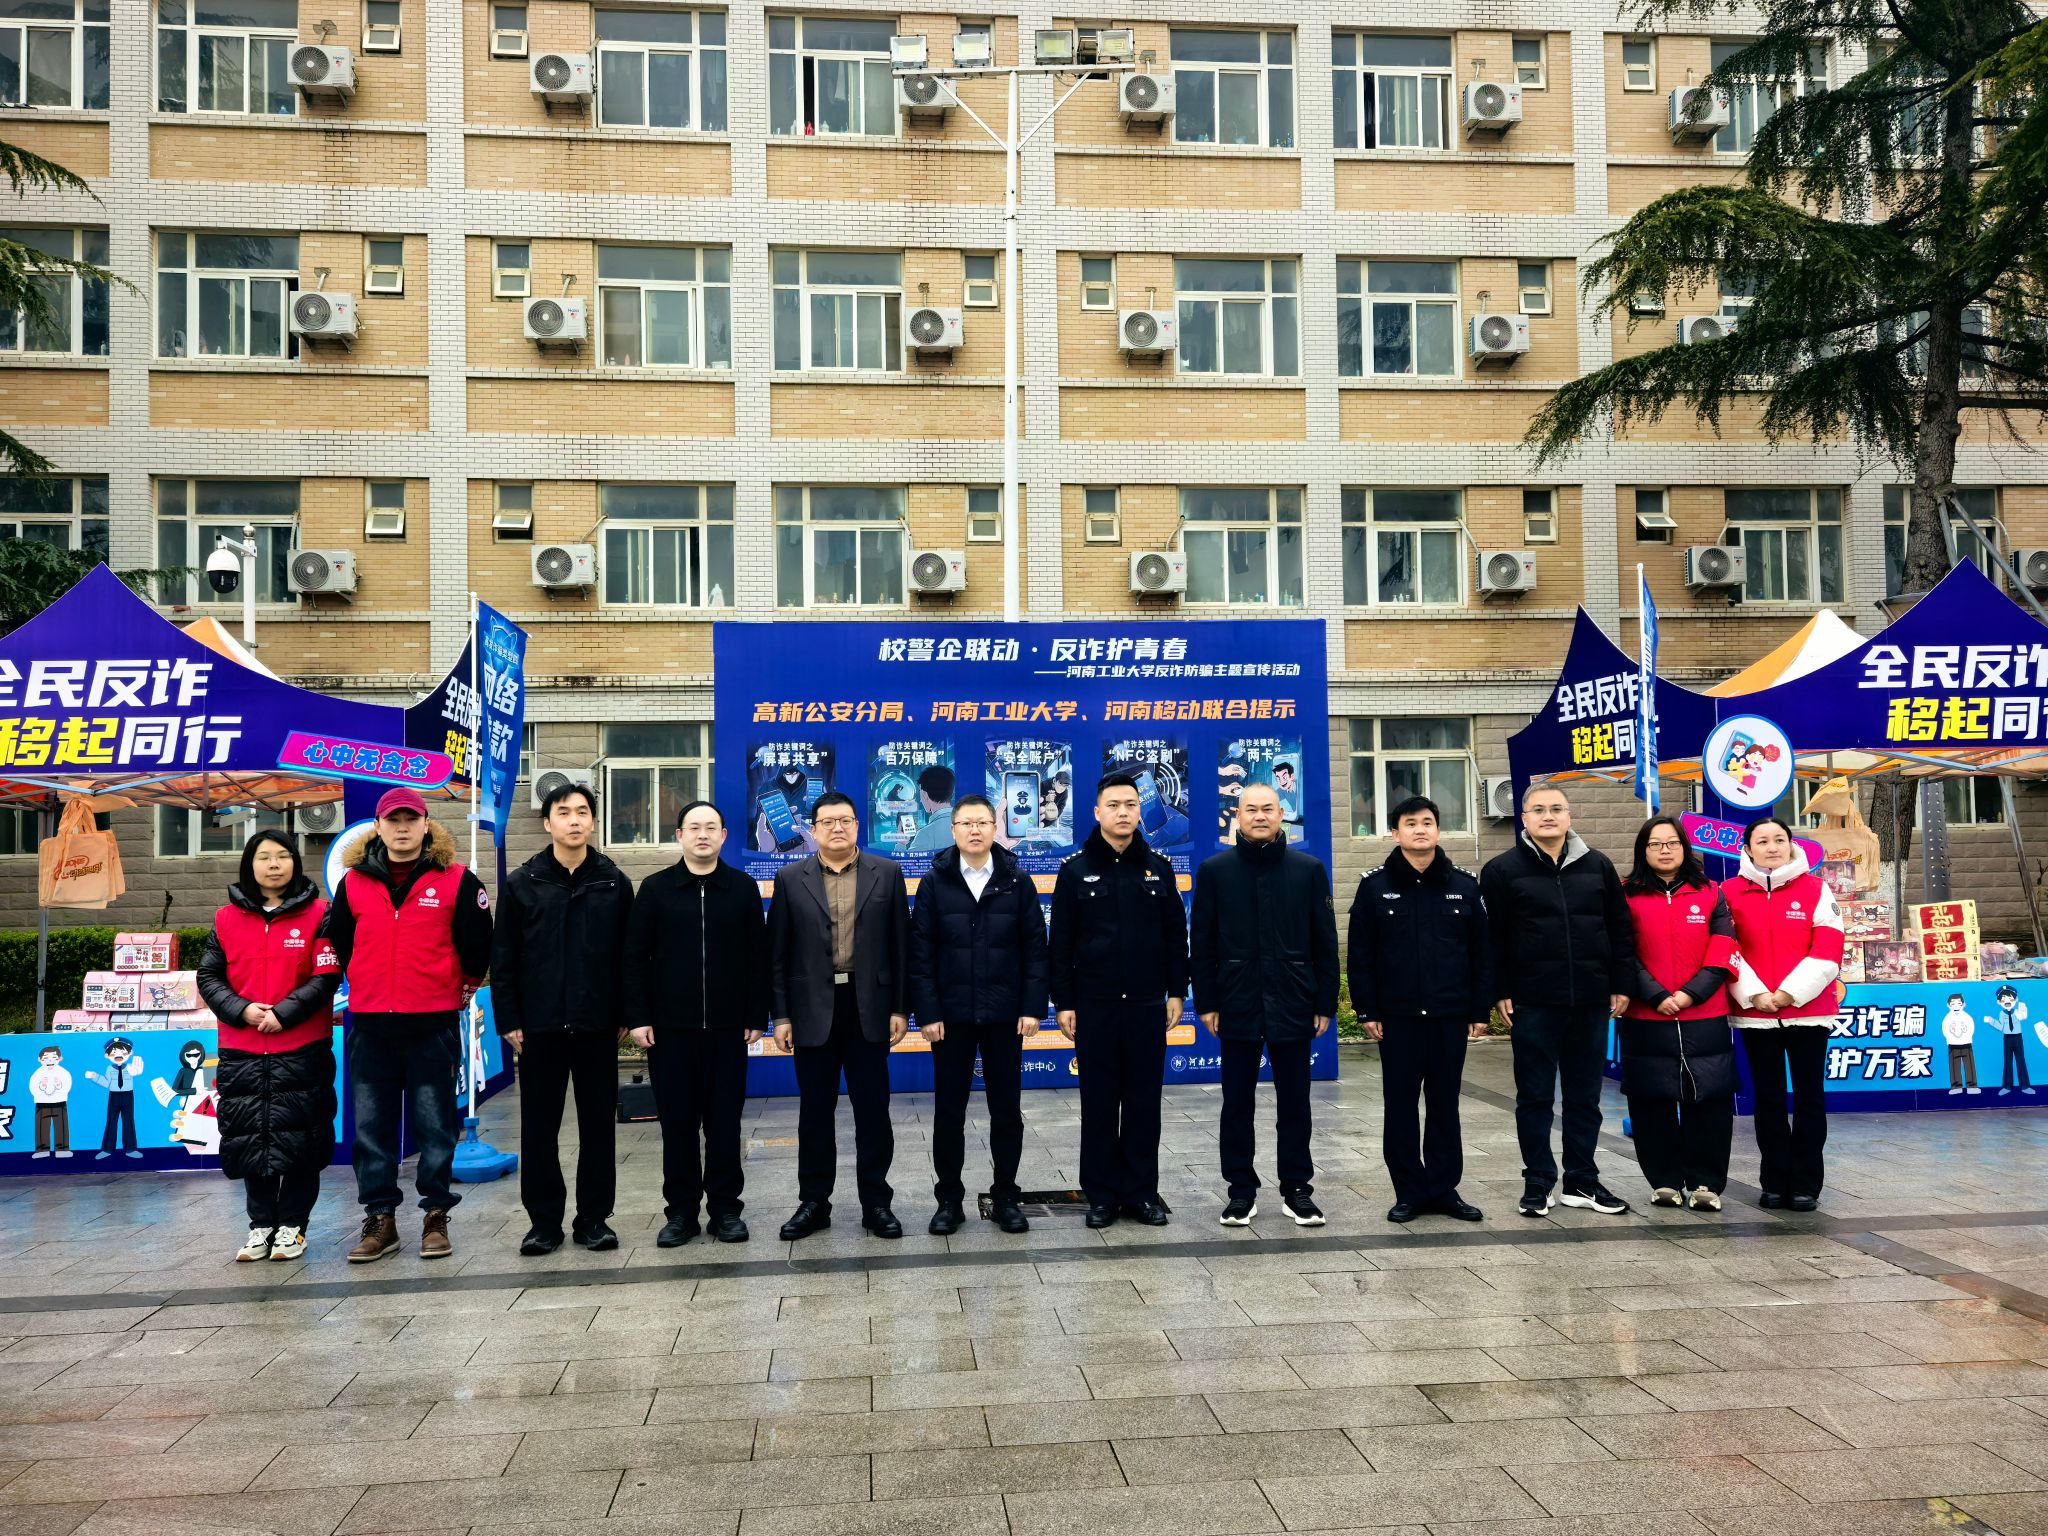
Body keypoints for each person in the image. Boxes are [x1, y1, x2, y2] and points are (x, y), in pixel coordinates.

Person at [321, 787, 492, 1262]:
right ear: (377, 826)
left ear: (425, 824)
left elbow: (478, 943)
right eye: (392, 820)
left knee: (435, 1126)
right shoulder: (353, 883)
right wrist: (360, 984)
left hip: (431, 1024)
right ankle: (381, 1220)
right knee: (371, 1129)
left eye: (410, 819)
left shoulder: (457, 880)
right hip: (371, 1025)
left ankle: (436, 1215)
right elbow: (338, 942)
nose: (402, 828)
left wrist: (461, 987)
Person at [1480, 783, 1637, 1218]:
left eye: (1556, 809)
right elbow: (1491, 940)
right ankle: (1538, 1181)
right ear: (1524, 819)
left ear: (1569, 816)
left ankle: (1582, 1181)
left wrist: (1621, 983)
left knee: (1585, 1097)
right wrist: (1500, 990)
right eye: (1538, 810)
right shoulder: (1502, 870)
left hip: (1590, 999)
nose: (1548, 816)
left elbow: (1620, 929)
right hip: (1532, 1001)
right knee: (1534, 1096)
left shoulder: (1598, 865)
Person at [493, 780, 635, 1257]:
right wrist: (508, 1018)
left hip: (598, 1024)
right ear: (547, 822)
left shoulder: (614, 882)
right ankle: (543, 1223)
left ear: (593, 821)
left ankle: (594, 1219)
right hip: (540, 1026)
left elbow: (629, 956)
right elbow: (504, 957)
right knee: (539, 1129)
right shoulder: (523, 882)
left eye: (582, 812)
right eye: (563, 812)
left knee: (598, 1127)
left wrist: (626, 1012)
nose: (574, 820)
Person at [1191, 782, 1339, 1227]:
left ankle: (1297, 1191)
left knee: (1295, 1103)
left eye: (1268, 809)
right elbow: (1202, 943)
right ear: (1237, 816)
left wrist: (1325, 1002)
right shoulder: (1215, 870)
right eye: (1251, 809)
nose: (1260, 816)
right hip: (1236, 1001)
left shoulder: (1308, 869)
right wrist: (1207, 1001)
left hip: (1294, 1000)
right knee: (1237, 1103)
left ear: (1281, 814)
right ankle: (1240, 1191)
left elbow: (1325, 942)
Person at [624, 800, 770, 1246]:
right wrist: (638, 1017)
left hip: (728, 1029)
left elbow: (758, 957)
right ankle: (681, 1212)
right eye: (694, 828)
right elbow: (635, 959)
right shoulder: (655, 889)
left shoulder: (742, 888)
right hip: (671, 1032)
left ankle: (726, 1210)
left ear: (724, 835)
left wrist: (756, 1015)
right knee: (678, 1126)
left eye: (711, 827)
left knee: (725, 1124)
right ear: (680, 836)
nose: (702, 835)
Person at [1048, 772, 1189, 1229]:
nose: (1123, 812)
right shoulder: (1074, 870)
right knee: (1100, 1104)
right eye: (1113, 805)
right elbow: (1061, 943)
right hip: (1095, 1006)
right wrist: (1064, 1002)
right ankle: (1102, 1195)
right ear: (1097, 812)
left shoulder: (1158, 867)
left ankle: (1142, 1193)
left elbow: (1175, 936)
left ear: (1139, 810)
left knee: (1144, 1102)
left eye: (1130, 804)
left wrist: (1176, 991)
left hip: (1147, 1004)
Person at [768, 790, 910, 1240]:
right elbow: (778, 954)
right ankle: (814, 1203)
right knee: (815, 1111)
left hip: (869, 1007)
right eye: (827, 822)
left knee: (873, 1110)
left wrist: (900, 1008)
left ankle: (877, 1203)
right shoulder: (790, 878)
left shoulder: (887, 873)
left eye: (845, 820)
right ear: (813, 830)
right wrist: (781, 1016)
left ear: (857, 826)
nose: (837, 828)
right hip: (811, 1009)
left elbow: (901, 947)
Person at [196, 828, 341, 1262]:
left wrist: (284, 1013)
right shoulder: (225, 918)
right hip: (242, 1049)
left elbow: (326, 975)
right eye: (264, 857)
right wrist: (242, 1010)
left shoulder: (321, 913)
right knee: (250, 1139)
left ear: (295, 861)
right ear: (250, 864)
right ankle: (260, 1226)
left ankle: (293, 1227)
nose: (274, 864)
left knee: (301, 1141)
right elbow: (208, 976)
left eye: (282, 855)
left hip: (301, 1046)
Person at [909, 792, 1049, 1235]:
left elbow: (1035, 950)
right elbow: (921, 954)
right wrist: (927, 1012)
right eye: (966, 823)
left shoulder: (1016, 880)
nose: (974, 830)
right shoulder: (935, 882)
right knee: (949, 1112)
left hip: (1005, 1015)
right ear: (953, 830)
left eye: (982, 823)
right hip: (950, 1018)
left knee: (1006, 1111)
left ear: (994, 828)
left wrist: (1032, 1007)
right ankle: (948, 1200)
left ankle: (1006, 1196)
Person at [1348, 794, 1492, 1224]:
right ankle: (1409, 1191)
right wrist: (1367, 1010)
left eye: (1427, 822)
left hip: (1449, 1015)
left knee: (1445, 1104)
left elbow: (1482, 954)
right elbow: (1361, 956)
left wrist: (1479, 1010)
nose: (1420, 829)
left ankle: (1444, 1190)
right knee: (1400, 1105)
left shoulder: (1464, 885)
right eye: (1410, 823)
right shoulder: (1374, 887)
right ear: (1396, 833)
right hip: (1398, 1019)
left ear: (1438, 830)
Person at [1724, 815, 1843, 1212]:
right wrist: (1755, 994)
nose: (1772, 847)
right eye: (1762, 841)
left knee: (1810, 1097)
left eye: (1780, 839)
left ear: (1791, 845)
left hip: (1809, 1012)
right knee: (1768, 1098)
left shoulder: (1816, 889)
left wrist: (1790, 993)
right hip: (1755, 1013)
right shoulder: (1728, 892)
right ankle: (1774, 1182)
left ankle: (1806, 1184)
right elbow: (1725, 948)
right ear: (1748, 848)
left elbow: (1828, 948)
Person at [1619, 816, 1738, 1211]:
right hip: (1646, 1015)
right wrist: (1654, 994)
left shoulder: (1711, 892)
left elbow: (1723, 949)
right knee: (1650, 1101)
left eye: (1672, 843)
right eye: (1655, 844)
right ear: (1643, 851)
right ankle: (1664, 1180)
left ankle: (1706, 1183)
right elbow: (1621, 951)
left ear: (1685, 848)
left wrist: (1689, 994)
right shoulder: (1625, 894)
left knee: (1709, 1101)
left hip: (1704, 1014)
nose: (1665, 850)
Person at [87, 1037, 142, 1159]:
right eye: (114, 1053)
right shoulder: (109, 1069)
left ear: (130, 1053)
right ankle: (107, 1149)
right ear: (107, 1056)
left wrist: (137, 1072)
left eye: (123, 1052)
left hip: (128, 1095)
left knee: (128, 1122)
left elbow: (136, 1072)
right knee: (111, 1122)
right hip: (114, 1096)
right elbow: (106, 1083)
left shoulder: (131, 1068)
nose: (118, 1055)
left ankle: (131, 1149)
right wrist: (94, 1076)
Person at [1989, 984, 2035, 1096]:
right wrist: (1991, 1021)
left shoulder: (2019, 1011)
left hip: (2018, 1037)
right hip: (2007, 1038)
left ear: (2016, 999)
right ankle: (2007, 1086)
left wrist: (2022, 1007)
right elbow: (2001, 1027)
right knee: (2007, 1062)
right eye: (2003, 999)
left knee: (2021, 1061)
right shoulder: (2001, 1013)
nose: (2007, 1001)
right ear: (1999, 1002)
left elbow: (2023, 1016)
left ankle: (2025, 1086)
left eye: (2010, 999)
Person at [29, 1044, 71, 1159]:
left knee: (61, 1125)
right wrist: (42, 1086)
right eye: (46, 1058)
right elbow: (33, 1088)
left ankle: (62, 1149)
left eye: (54, 1058)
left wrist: (59, 1085)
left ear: (60, 1059)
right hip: (42, 1103)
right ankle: (42, 1150)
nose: (50, 1061)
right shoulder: (37, 1074)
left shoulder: (63, 1072)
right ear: (39, 1059)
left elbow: (67, 1086)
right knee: (42, 1125)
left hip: (59, 1102)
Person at [906, 764, 958, 853]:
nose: (921, 800)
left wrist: (901, 843)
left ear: (925, 794)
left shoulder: (925, 834)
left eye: (920, 794)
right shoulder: (969, 824)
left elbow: (903, 862)